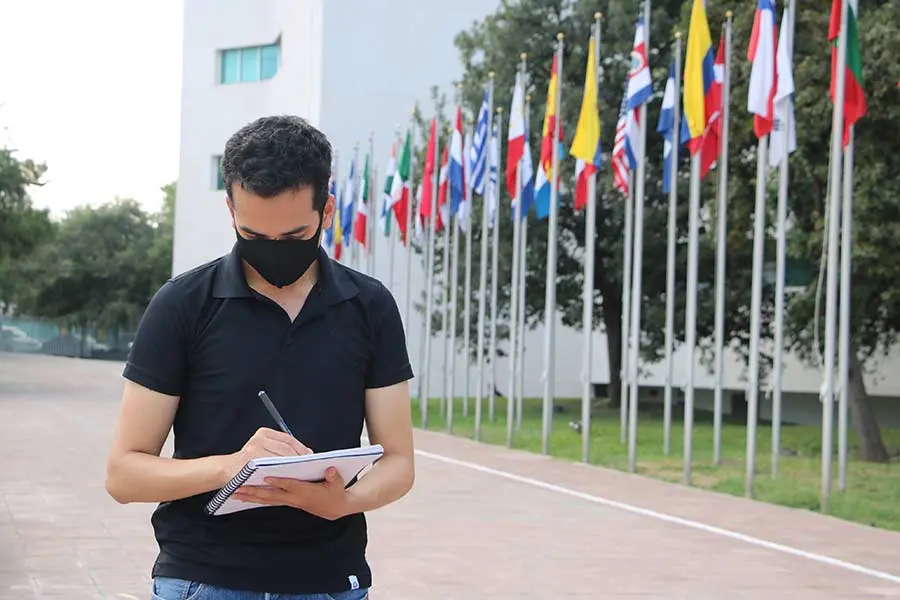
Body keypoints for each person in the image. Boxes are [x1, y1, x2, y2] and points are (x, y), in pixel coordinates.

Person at [105, 115, 415, 600]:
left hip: (330, 580)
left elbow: (398, 462)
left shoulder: (369, 307)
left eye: (293, 237)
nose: (273, 252)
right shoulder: (182, 305)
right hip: (204, 579)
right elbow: (124, 474)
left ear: (327, 211)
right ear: (230, 210)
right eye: (253, 236)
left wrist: (343, 502)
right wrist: (232, 467)